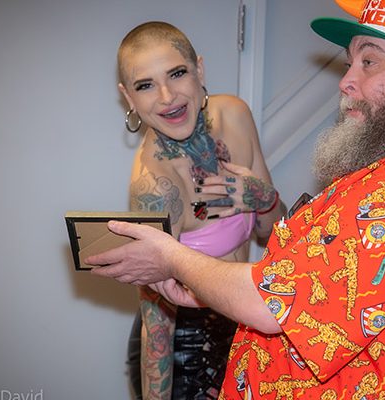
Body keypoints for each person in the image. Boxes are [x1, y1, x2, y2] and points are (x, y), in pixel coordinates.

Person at [90, 1, 385, 398]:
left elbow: (271, 302)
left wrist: (175, 257)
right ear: (129, 96)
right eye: (349, 64)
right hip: (193, 343)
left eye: (369, 61)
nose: (345, 81)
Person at [115, 21, 285, 399]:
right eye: (145, 85)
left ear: (200, 71)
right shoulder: (154, 185)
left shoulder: (236, 115)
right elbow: (157, 321)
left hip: (243, 325)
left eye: (177, 74)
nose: (167, 97)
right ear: (129, 98)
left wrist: (264, 199)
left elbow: (272, 233)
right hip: (185, 350)